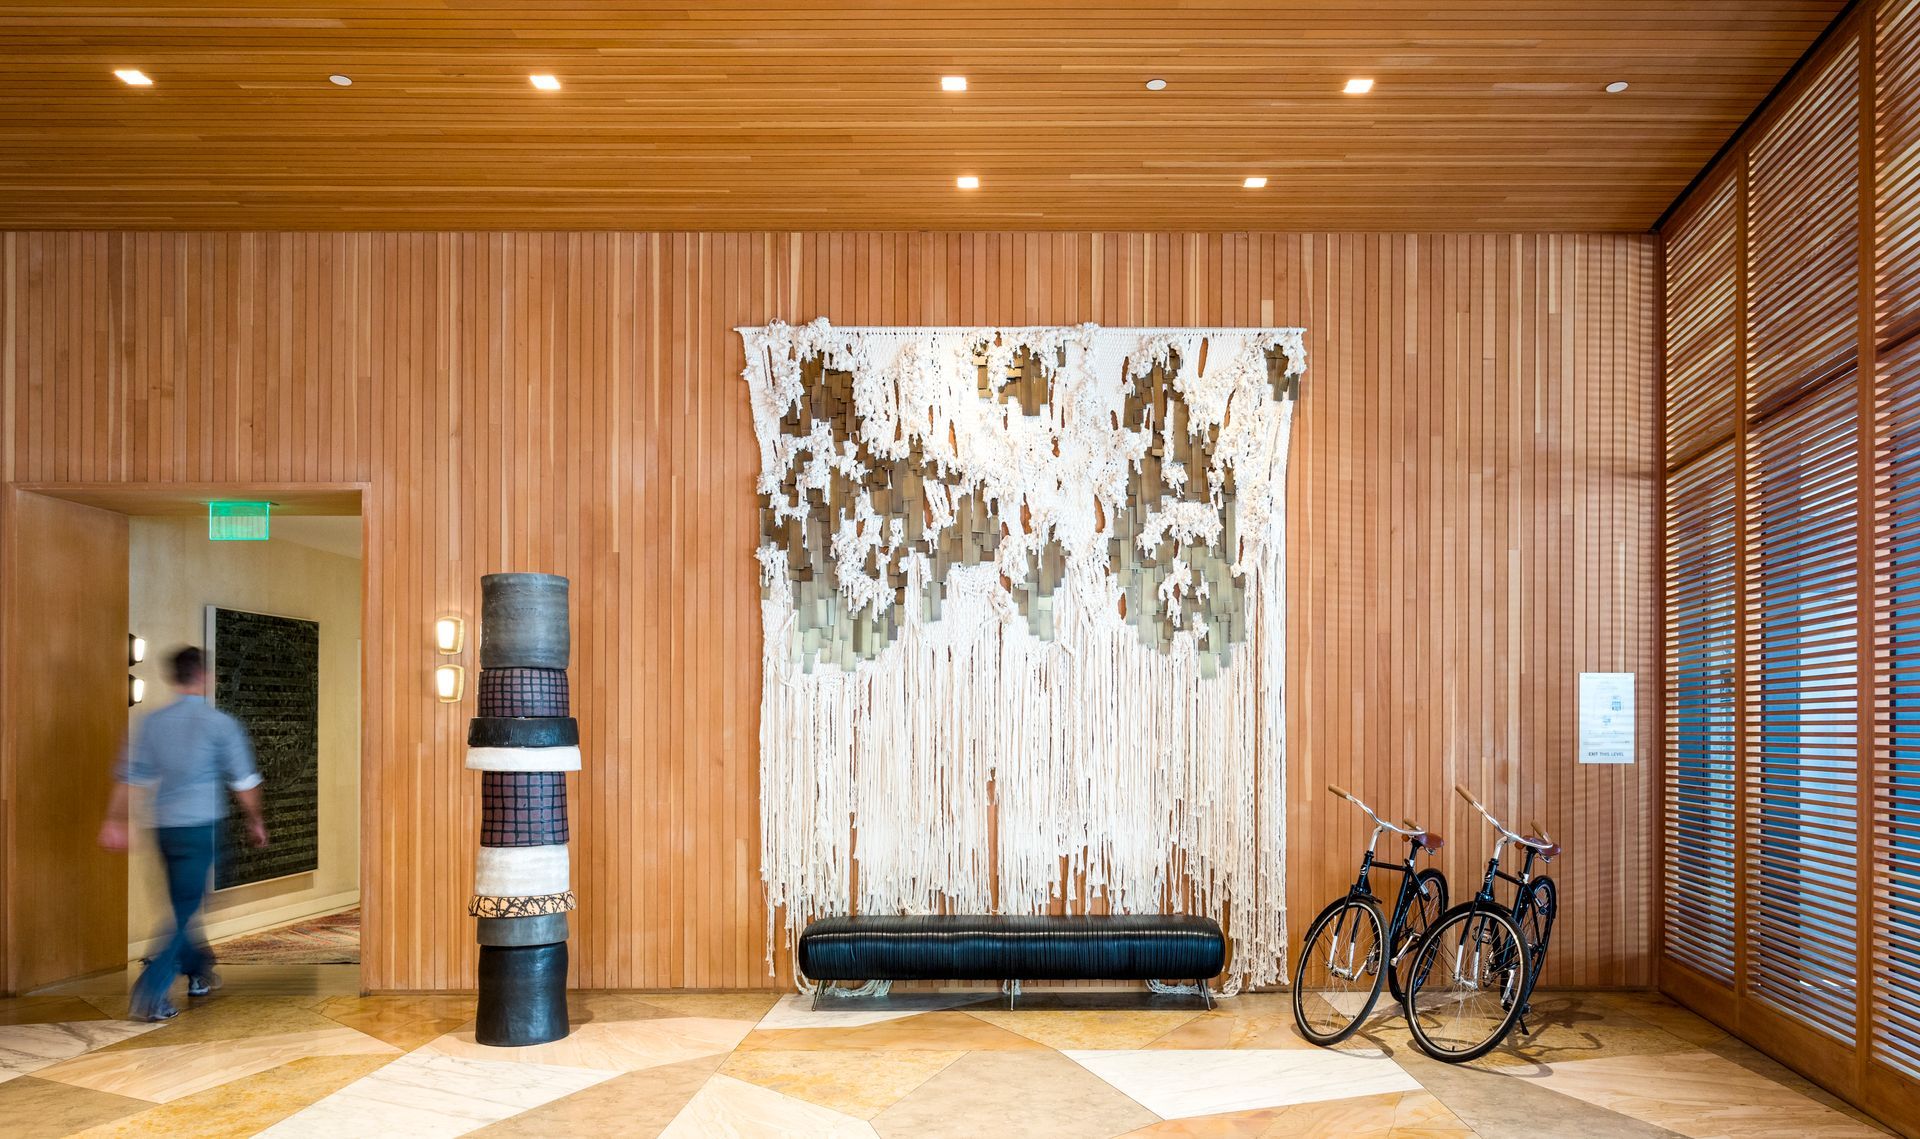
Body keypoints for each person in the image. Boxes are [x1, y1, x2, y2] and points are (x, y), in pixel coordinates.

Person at [99, 646, 269, 1021]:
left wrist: (113, 821)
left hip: (163, 828)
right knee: (187, 908)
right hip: (200, 827)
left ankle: (199, 971)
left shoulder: (151, 723)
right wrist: (255, 820)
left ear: (173, 677)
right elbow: (244, 782)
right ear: (205, 676)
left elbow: (130, 777)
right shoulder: (219, 724)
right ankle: (152, 989)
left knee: (183, 904)